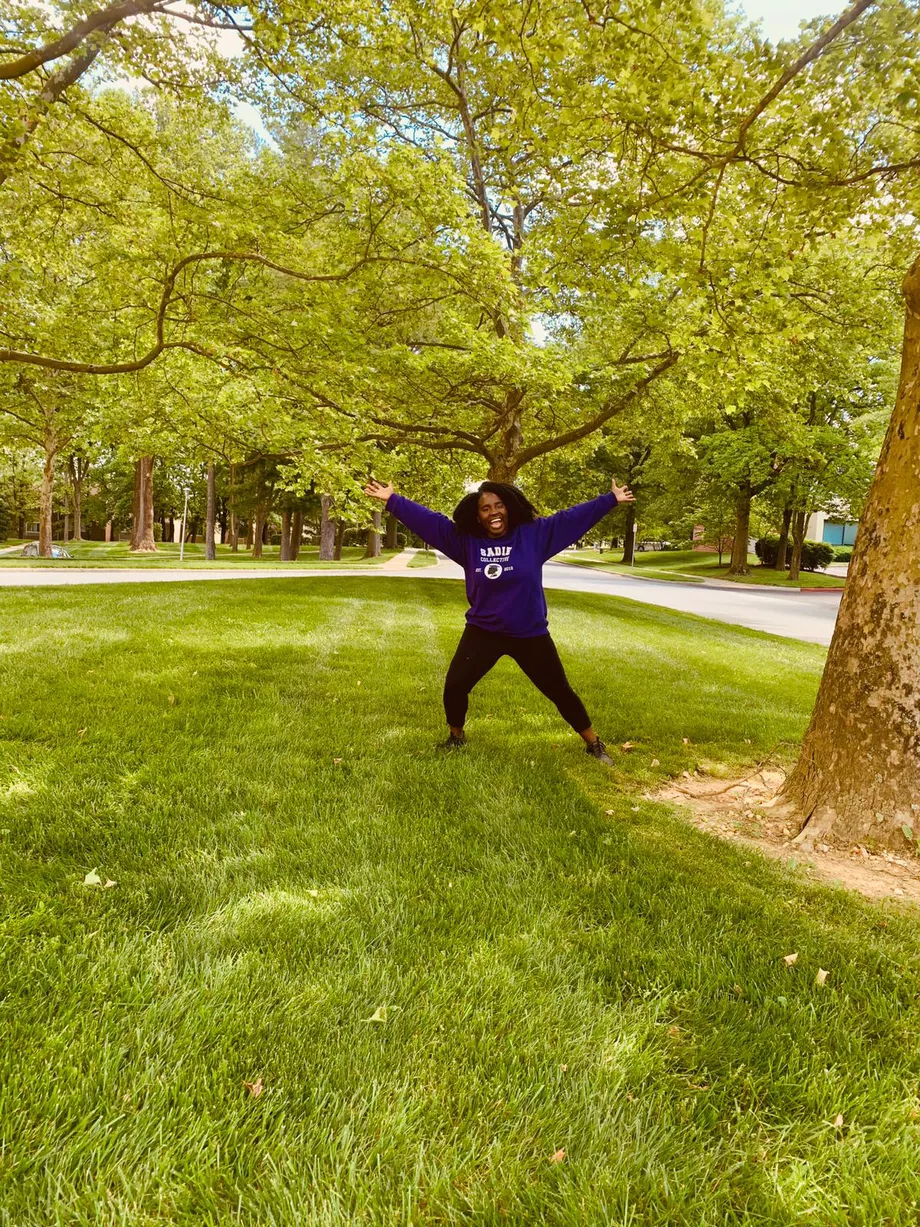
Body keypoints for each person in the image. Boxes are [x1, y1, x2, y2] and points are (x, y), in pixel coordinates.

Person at [364, 476, 635, 763]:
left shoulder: (534, 535)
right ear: (477, 516)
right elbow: (432, 523)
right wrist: (393, 500)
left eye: (499, 506)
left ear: (509, 508)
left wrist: (609, 500)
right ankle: (456, 737)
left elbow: (570, 519)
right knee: (455, 685)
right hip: (484, 631)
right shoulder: (466, 542)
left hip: (529, 632)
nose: (493, 512)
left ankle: (593, 743)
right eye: (485, 509)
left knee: (559, 690)